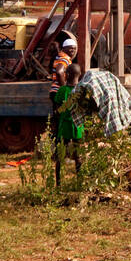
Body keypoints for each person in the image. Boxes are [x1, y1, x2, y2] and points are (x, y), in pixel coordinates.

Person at [49, 38, 82, 175]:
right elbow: (59, 71)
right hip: (59, 92)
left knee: (58, 120)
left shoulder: (60, 56)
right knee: (61, 120)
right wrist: (65, 88)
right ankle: (59, 152)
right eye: (70, 48)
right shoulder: (65, 59)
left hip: (56, 92)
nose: (73, 51)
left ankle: (58, 152)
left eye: (74, 48)